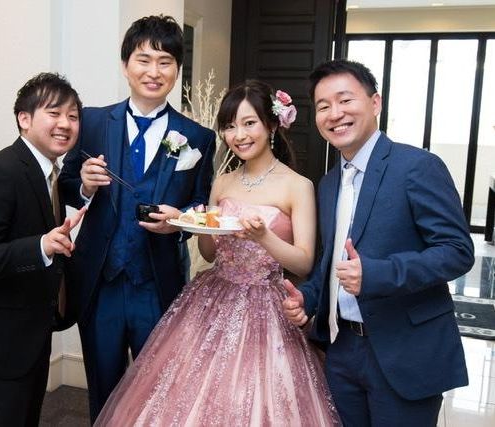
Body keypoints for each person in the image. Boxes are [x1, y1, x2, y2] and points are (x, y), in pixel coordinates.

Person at [93, 80, 341, 426]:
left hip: (266, 302)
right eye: (229, 126)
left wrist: (264, 237)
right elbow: (210, 252)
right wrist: (190, 222)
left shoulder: (297, 185)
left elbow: (304, 261)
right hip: (212, 295)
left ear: (271, 125)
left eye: (249, 123)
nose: (239, 135)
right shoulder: (223, 182)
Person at [282, 59, 474, 426]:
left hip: (405, 350)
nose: (334, 114)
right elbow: (331, 263)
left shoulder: (417, 166)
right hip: (342, 349)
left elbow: (457, 251)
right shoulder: (329, 184)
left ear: (375, 103)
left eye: (345, 100)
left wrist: (377, 274)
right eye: (323, 106)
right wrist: (307, 297)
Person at [58, 15, 216, 421]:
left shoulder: (197, 137)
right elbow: (64, 184)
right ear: (125, 65)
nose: (154, 72)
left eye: (165, 62)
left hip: (157, 283)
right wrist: (84, 186)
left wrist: (179, 220)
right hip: (101, 283)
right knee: (103, 390)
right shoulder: (92, 122)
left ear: (177, 69)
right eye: (143, 60)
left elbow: (201, 202)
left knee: (157, 395)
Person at [0, 72, 87, 426]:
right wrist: (41, 246)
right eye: (54, 113)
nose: (65, 124)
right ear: (24, 119)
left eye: (73, 116)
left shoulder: (48, 174)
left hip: (28, 340)